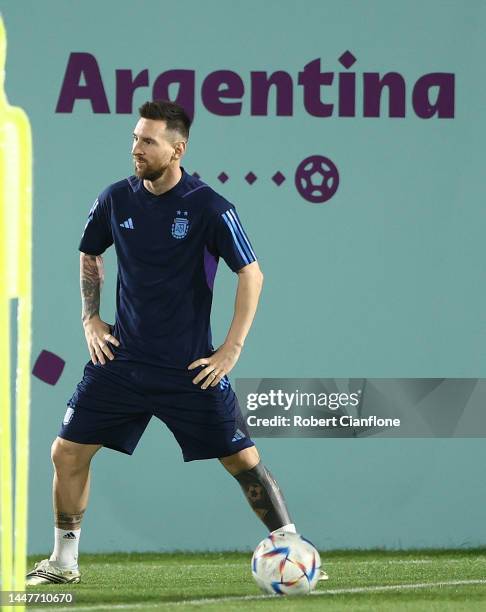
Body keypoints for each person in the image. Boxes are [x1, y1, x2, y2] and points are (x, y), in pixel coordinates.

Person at [26, 99, 327, 585]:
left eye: (148, 141)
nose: (136, 149)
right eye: (134, 138)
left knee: (242, 460)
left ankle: (292, 548)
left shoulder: (209, 206)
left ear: (177, 148)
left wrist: (230, 350)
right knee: (66, 452)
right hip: (121, 363)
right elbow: (89, 252)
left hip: (188, 368)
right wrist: (90, 319)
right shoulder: (114, 199)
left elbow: (251, 274)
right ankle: (63, 563)